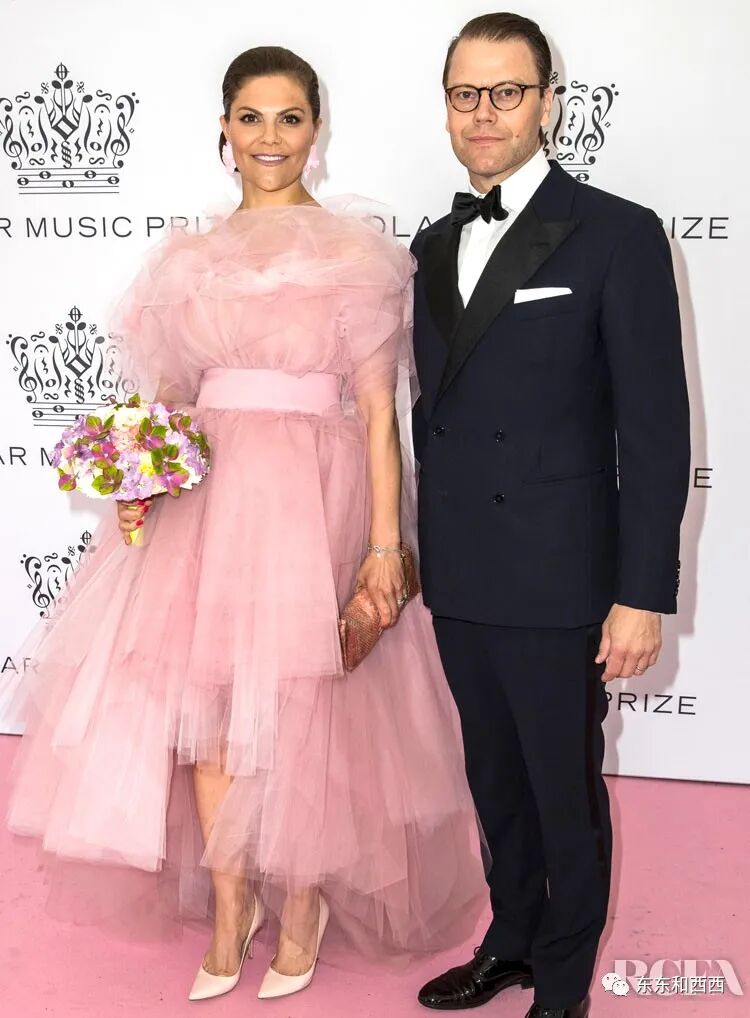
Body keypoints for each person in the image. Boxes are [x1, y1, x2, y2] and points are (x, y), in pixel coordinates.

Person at [3, 45, 485, 1004]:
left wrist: (384, 547)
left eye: (290, 118)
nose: (271, 137)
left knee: (304, 714)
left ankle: (301, 904)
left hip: (315, 500)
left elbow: (378, 415)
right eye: (252, 117)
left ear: (317, 129)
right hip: (209, 506)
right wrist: (138, 475)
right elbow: (167, 406)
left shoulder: (358, 257)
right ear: (224, 129)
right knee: (208, 719)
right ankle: (233, 909)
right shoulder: (186, 261)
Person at [411, 13, 690, 1018]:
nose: (483, 113)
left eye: (506, 92)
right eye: (465, 94)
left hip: (559, 577)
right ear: (447, 106)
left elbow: (655, 431)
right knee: (494, 781)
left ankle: (563, 988)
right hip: (462, 574)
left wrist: (641, 595)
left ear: (548, 103)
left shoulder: (617, 232)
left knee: (562, 793)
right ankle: (512, 942)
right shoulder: (433, 242)